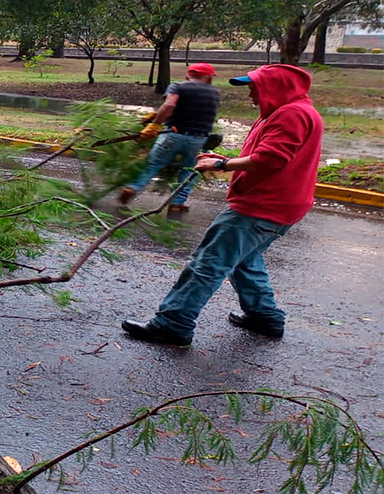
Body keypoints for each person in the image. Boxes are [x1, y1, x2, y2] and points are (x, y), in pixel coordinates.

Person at [121, 64, 323, 346]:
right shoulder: (288, 111)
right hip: (282, 205)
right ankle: (265, 318)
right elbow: (265, 155)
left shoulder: (292, 113)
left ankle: (173, 324)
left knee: (208, 263)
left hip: (261, 205)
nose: (251, 93)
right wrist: (223, 158)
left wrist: (222, 164)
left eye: (255, 87)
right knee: (245, 260)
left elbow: (272, 158)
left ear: (276, 88)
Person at [119, 63, 220, 214]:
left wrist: (155, 124)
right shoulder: (214, 92)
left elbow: (170, 105)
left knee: (153, 166)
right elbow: (196, 110)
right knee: (188, 171)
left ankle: (133, 188)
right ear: (209, 78)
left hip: (172, 135)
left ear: (188, 76)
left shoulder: (178, 86)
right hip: (198, 140)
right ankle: (177, 204)